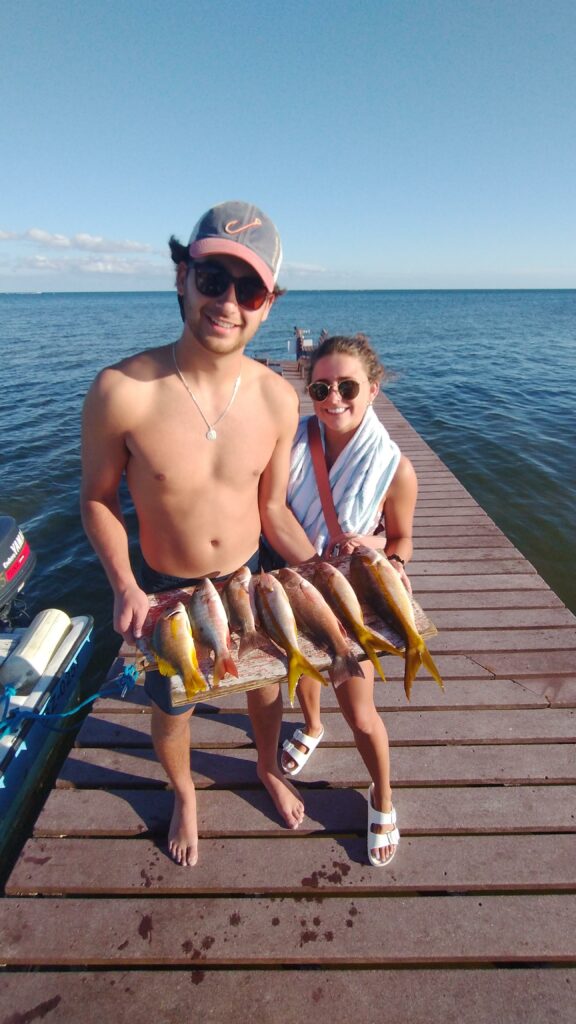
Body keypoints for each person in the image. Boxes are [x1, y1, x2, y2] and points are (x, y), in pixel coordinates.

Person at [81, 201, 317, 867]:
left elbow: (274, 511)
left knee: (267, 691)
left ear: (270, 303)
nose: (229, 304)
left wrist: (328, 571)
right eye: (214, 278)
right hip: (164, 592)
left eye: (250, 289)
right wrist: (123, 583)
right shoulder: (120, 390)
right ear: (181, 274)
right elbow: (96, 499)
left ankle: (267, 766)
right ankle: (184, 791)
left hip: (249, 581)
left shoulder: (277, 398)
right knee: (176, 706)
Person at [280, 333, 418, 866]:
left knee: (361, 714)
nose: (332, 397)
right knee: (303, 671)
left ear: (374, 389)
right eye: (320, 387)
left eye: (346, 386)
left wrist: (390, 555)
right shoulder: (289, 443)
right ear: (307, 390)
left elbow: (402, 538)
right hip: (293, 580)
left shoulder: (394, 467)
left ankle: (382, 794)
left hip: (349, 597)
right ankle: (313, 726)